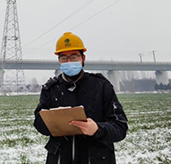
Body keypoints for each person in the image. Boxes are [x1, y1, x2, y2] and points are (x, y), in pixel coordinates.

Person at [34, 32, 128, 164]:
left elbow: (120, 127)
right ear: (59, 61)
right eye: (64, 58)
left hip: (96, 158)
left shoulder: (101, 86)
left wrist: (97, 129)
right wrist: (53, 124)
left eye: (74, 57)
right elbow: (38, 122)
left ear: (83, 59)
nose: (69, 62)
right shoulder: (50, 89)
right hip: (60, 158)